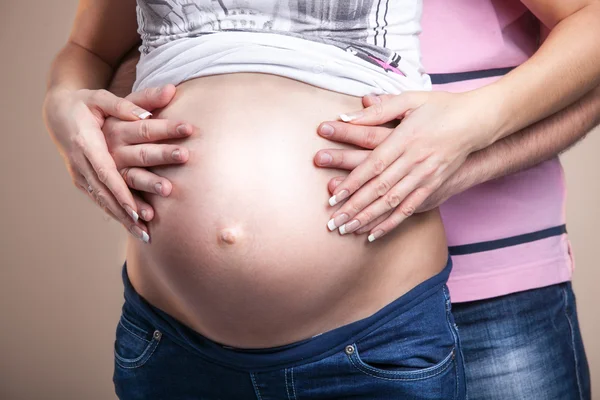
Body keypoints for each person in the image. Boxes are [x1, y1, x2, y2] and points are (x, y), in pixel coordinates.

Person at [42, 1, 600, 399]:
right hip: (176, 333)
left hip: (465, 290)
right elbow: (96, 51)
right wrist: (69, 112)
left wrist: (474, 131)